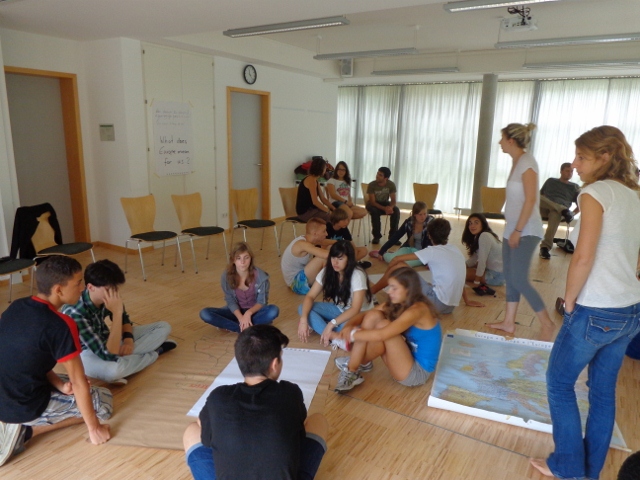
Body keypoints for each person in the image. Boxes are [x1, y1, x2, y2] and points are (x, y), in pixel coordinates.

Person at [529, 126, 640, 480]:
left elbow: (583, 256)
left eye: (581, 157)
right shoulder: (634, 194)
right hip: (630, 309)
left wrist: (569, 303)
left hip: (596, 309)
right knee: (603, 393)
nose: (575, 164)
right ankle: (589, 471)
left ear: (604, 157)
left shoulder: (593, 193)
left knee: (559, 383)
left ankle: (567, 466)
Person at [0, 256, 112, 467]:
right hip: (20, 405)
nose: (82, 288)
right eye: (78, 283)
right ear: (59, 290)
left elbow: (26, 357)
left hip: (7, 389)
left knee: (79, 389)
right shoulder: (61, 324)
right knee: (103, 401)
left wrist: (60, 385)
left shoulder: (17, 306)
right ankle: (28, 430)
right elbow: (78, 382)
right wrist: (94, 429)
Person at [183, 324, 328, 480]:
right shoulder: (290, 392)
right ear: (274, 364)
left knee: (192, 429)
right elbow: (298, 434)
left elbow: (206, 437)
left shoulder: (218, 396)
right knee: (318, 420)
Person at [487, 123, 556, 342]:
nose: (499, 142)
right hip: (512, 229)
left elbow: (531, 199)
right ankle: (509, 322)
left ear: (511, 140)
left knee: (519, 278)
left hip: (526, 230)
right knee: (510, 277)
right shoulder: (516, 162)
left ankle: (547, 322)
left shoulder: (528, 162)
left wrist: (518, 230)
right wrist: (512, 229)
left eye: (502, 138)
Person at [63, 259, 176, 385]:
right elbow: (107, 354)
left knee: (163, 327)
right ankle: (155, 352)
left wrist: (128, 340)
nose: (113, 293)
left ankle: (128, 359)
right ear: (90, 287)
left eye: (115, 289)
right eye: (108, 289)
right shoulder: (76, 313)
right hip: (85, 353)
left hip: (108, 340)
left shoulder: (109, 295)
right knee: (115, 371)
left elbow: (125, 319)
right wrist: (117, 312)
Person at [333, 267, 442, 392]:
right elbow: (366, 314)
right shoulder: (402, 302)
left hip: (416, 373)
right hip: (406, 357)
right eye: (389, 287)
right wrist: (348, 326)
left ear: (408, 289)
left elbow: (382, 335)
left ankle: (354, 365)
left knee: (383, 325)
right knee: (374, 315)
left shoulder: (418, 310)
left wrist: (350, 335)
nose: (389, 292)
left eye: (394, 288)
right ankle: (356, 365)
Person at [371, 218, 484, 314]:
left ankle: (371, 292)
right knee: (427, 282)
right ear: (448, 234)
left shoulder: (432, 251)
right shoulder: (455, 249)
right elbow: (459, 276)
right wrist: (467, 300)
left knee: (399, 266)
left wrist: (388, 275)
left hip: (436, 304)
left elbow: (396, 259)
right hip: (450, 307)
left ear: (429, 235)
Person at [298, 241, 373, 346]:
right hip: (340, 309)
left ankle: (327, 330)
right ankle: (335, 337)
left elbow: (355, 309)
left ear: (349, 259)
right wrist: (303, 320)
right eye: (333, 257)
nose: (335, 262)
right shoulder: (327, 271)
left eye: (340, 259)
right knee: (303, 309)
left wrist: (331, 324)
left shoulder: (357, 275)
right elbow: (310, 296)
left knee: (344, 328)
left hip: (359, 315)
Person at [200, 242, 279, 333]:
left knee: (273, 311)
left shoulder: (261, 277)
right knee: (205, 313)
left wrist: (248, 314)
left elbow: (262, 302)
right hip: (235, 312)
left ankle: (239, 326)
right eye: (238, 258)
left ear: (251, 259)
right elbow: (230, 301)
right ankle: (248, 327)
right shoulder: (226, 276)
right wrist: (241, 318)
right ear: (233, 260)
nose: (242, 262)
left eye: (246, 257)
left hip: (255, 312)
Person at [370, 201, 433, 267]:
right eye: (420, 214)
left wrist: (431, 261)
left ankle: (392, 254)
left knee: (403, 264)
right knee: (393, 260)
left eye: (425, 214)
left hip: (423, 253)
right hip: (410, 248)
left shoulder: (431, 223)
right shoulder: (409, 222)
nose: (423, 217)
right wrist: (382, 250)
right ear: (415, 214)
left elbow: (436, 242)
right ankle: (384, 254)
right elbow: (396, 236)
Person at [539, 162, 580, 259]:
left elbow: (581, 204)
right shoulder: (551, 181)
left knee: (555, 214)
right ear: (561, 171)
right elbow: (540, 195)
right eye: (567, 171)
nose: (569, 173)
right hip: (544, 208)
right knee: (534, 195)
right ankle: (562, 209)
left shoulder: (574, 187)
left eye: (571, 171)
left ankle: (545, 248)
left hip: (558, 213)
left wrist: (572, 214)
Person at [281, 218, 333, 295]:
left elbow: (323, 242)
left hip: (301, 276)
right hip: (296, 284)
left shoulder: (307, 239)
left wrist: (340, 242)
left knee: (330, 247)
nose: (326, 234)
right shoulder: (302, 244)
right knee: (321, 258)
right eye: (324, 231)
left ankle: (330, 281)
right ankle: (332, 283)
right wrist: (347, 255)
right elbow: (325, 255)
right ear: (315, 234)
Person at [461, 213, 504, 286]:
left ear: (483, 224)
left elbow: (482, 261)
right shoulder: (483, 235)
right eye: (470, 223)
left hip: (496, 276)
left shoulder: (484, 236)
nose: (472, 226)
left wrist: (476, 281)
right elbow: (474, 258)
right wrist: (462, 265)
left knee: (461, 272)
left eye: (476, 223)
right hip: (499, 274)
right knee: (462, 268)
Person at [366, 167, 400, 244]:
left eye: (380, 175)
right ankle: (376, 236)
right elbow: (372, 202)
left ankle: (393, 236)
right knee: (374, 211)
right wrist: (384, 208)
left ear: (386, 178)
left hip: (384, 203)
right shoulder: (372, 185)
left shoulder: (391, 185)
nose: (377, 176)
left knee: (396, 210)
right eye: (377, 174)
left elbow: (393, 200)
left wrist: (390, 207)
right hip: (373, 204)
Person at [296, 157, 334, 222]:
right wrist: (328, 211)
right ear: (321, 169)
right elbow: (315, 202)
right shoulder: (311, 180)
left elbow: (323, 198)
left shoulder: (315, 180)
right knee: (331, 217)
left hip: (312, 210)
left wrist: (333, 208)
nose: (326, 170)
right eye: (325, 168)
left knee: (332, 215)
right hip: (305, 213)